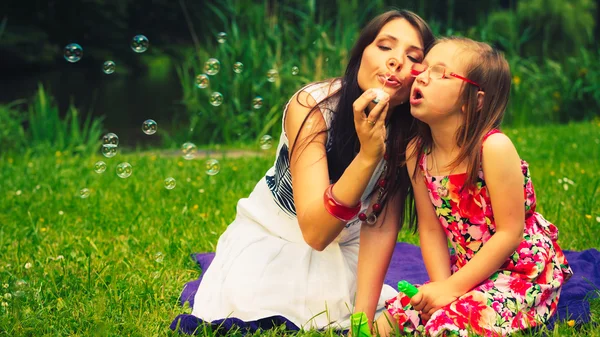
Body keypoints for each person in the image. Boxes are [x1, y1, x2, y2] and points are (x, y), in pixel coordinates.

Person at [171, 9, 435, 333]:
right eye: (385, 46)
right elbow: (315, 233)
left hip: (347, 247)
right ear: (361, 53)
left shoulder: (406, 134)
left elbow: (379, 228)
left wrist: (361, 323)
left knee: (362, 307)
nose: (396, 61)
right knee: (274, 305)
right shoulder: (313, 107)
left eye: (413, 56)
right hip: (279, 239)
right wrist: (368, 155)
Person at [373, 36, 573, 336]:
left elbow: (510, 233)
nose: (422, 77)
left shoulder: (493, 148)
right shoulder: (417, 153)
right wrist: (442, 289)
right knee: (390, 320)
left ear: (474, 100)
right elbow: (430, 229)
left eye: (439, 72)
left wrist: (453, 288)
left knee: (449, 325)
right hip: (469, 271)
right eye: (423, 68)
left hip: (521, 272)